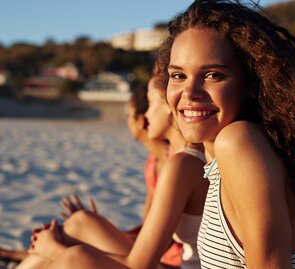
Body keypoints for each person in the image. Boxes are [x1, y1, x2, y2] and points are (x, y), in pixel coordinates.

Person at [155, 0, 295, 268]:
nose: (190, 92)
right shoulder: (252, 149)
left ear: (252, 84)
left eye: (213, 75)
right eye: (178, 75)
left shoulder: (239, 143)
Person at [16, 73, 208, 269]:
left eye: (150, 104)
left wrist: (54, 249)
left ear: (169, 105)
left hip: (168, 262)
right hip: (162, 258)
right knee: (80, 223)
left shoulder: (183, 164)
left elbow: (141, 263)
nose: (147, 115)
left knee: (76, 254)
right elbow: (147, 232)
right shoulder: (177, 160)